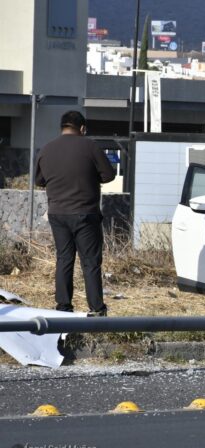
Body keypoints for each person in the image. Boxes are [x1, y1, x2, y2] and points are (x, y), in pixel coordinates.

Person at [35, 111, 115, 317]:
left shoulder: (47, 149)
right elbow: (108, 175)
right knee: (90, 262)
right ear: (82, 128)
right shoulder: (90, 146)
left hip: (58, 214)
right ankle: (96, 309)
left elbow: (39, 180)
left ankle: (63, 308)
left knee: (64, 259)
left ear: (62, 127)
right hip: (85, 213)